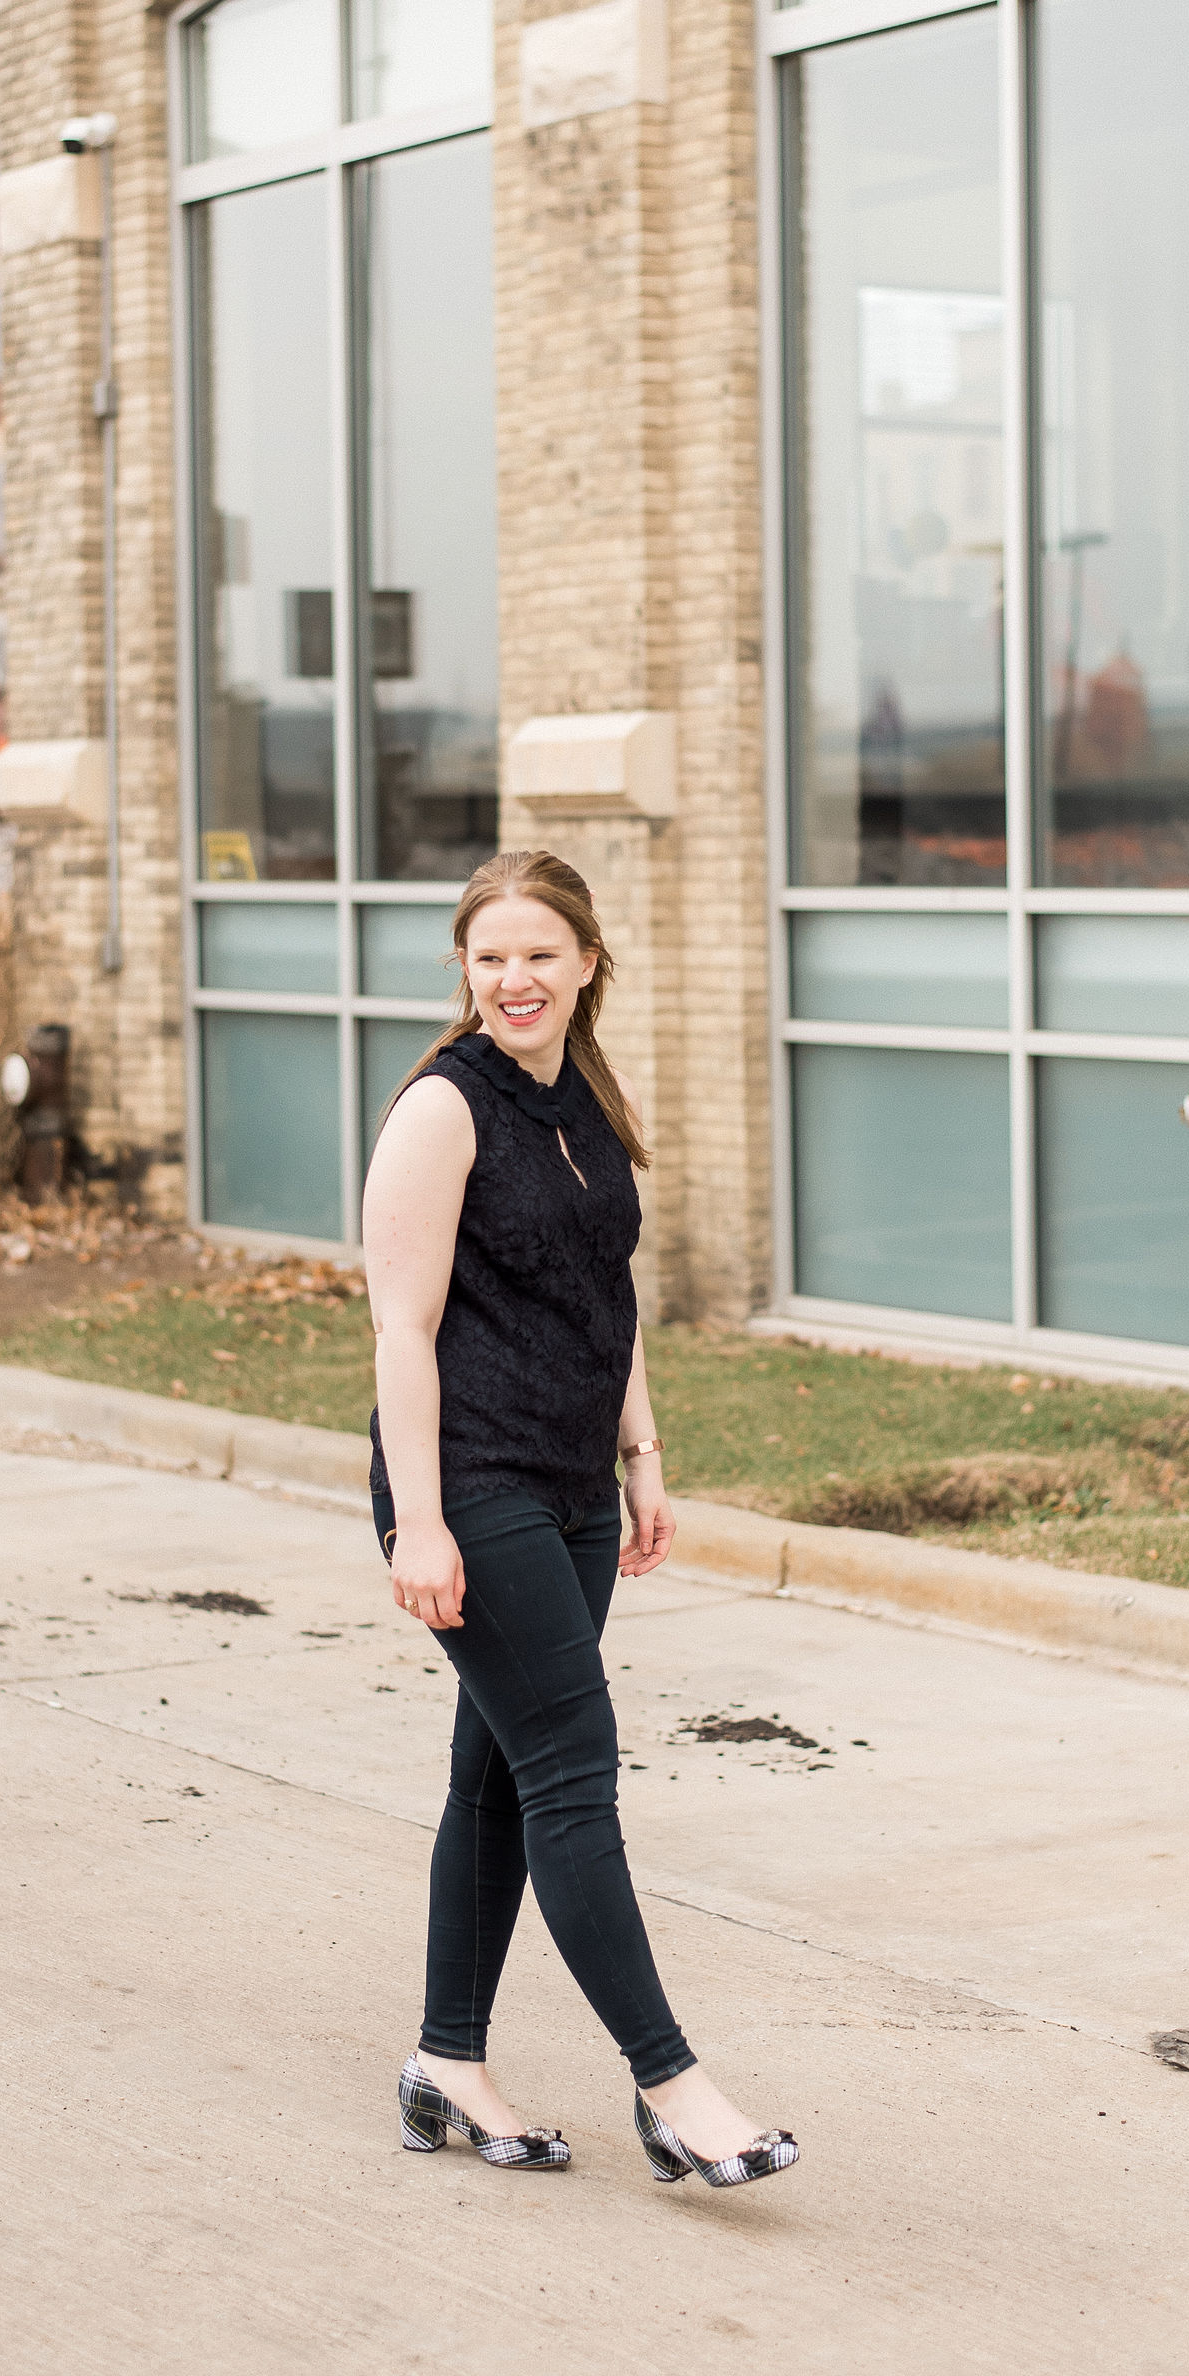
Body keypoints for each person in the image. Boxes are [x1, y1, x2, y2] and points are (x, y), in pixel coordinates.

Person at [361, 849, 797, 2193]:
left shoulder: (584, 1102)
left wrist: (642, 1456)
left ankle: (448, 2059)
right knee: (571, 1770)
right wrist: (420, 1522)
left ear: (586, 963)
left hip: (572, 1486)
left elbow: (604, 1301)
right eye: (489, 956)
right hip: (472, 1482)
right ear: (466, 970)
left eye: (539, 953)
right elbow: (402, 1324)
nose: (513, 978)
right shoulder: (445, 1108)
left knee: (493, 1780)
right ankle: (674, 2089)